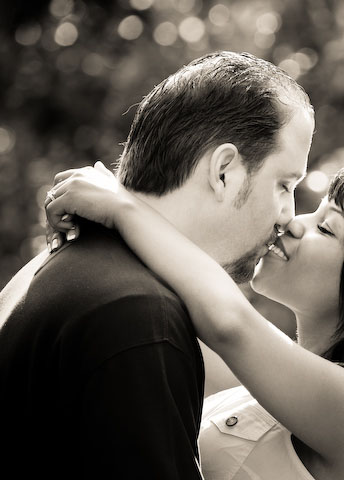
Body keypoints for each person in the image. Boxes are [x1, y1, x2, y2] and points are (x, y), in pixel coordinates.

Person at [44, 161, 344, 480]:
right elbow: (183, 311)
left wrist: (122, 207)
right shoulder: (263, 385)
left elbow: (227, 321)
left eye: (327, 228)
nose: (294, 222)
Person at [0, 51, 313, 479]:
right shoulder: (141, 315)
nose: (288, 216)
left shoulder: (52, 269)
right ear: (224, 171)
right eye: (284, 184)